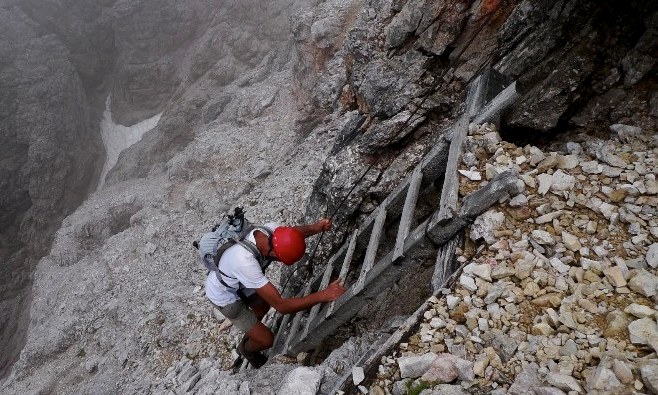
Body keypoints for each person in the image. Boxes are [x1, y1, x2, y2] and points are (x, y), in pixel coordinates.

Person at [204, 218, 346, 368]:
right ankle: (247, 350)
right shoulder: (245, 262)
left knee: (264, 306)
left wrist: (317, 227)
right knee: (267, 340)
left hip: (238, 281)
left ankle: (252, 332)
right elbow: (282, 306)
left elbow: (293, 234)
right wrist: (324, 295)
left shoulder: (272, 232)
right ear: (275, 255)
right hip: (224, 296)